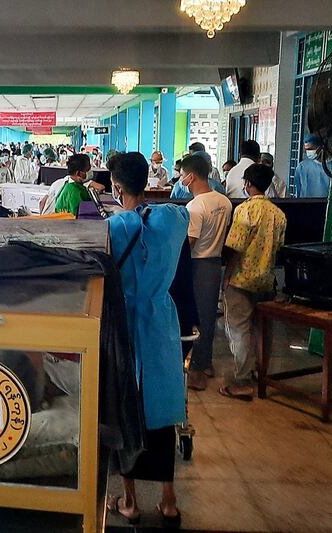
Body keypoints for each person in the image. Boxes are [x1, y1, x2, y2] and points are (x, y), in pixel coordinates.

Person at [105, 152, 188, 528]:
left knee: (126, 407)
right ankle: (169, 502)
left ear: (117, 187)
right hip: (161, 322)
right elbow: (184, 213)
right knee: (163, 409)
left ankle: (130, 499)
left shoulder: (115, 227)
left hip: (126, 322)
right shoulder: (171, 219)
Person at [220, 164, 287, 401]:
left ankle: (241, 381)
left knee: (239, 329)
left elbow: (235, 247)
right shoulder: (279, 215)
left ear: (247, 184)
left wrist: (227, 275)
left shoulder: (244, 211)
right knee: (262, 330)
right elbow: (278, 247)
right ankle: (262, 375)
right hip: (267, 281)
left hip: (241, 279)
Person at [179, 155, 233, 391]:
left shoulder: (195, 206)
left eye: (182, 175)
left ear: (191, 176)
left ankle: (198, 371)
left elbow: (190, 241)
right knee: (209, 316)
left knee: (196, 318)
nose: (181, 179)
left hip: (197, 264)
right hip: (216, 262)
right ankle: (207, 362)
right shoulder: (224, 201)